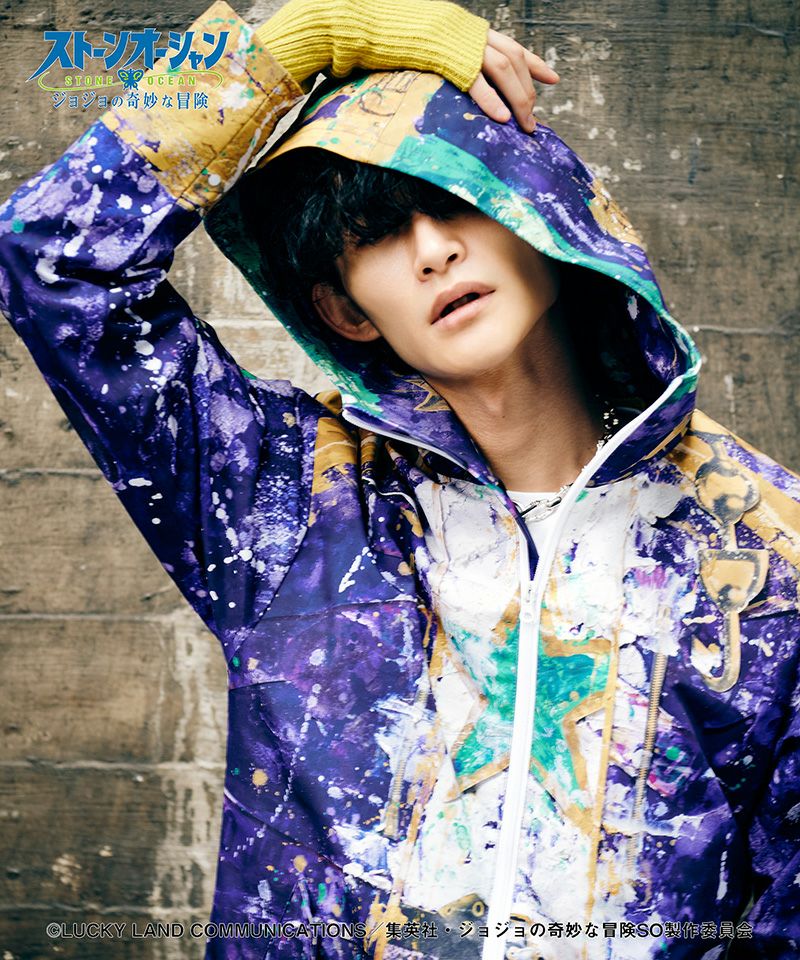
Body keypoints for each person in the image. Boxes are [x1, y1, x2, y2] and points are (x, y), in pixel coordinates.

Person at [1, 1, 798, 958]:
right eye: (377, 234)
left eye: (457, 201)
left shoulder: (767, 555)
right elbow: (54, 263)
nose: (432, 250)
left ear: (546, 216)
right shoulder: (289, 497)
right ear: (344, 310)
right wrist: (296, 41)